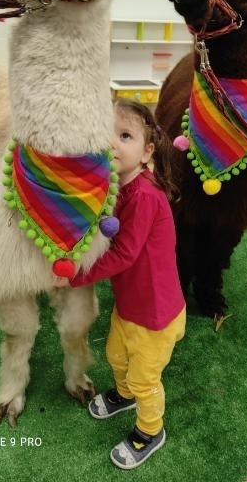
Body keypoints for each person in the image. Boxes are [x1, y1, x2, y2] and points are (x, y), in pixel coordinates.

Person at [57, 98, 186, 469]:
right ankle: (124, 394)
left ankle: (150, 430)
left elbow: (124, 254)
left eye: (125, 135)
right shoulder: (118, 187)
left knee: (145, 378)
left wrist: (77, 276)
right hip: (131, 305)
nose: (111, 142)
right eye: (105, 133)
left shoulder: (144, 195)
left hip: (155, 315)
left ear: (147, 152)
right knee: (116, 356)